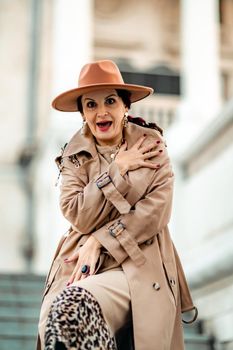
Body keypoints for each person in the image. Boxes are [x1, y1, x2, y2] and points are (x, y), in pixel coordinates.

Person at [37, 60, 197, 350]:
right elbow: (76, 214)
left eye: (110, 100)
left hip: (140, 261)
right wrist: (116, 170)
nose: (101, 112)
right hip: (81, 264)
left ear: (126, 106)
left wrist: (100, 240)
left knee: (78, 306)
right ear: (83, 113)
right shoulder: (73, 157)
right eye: (90, 104)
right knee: (62, 320)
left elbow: (155, 212)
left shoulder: (151, 145)